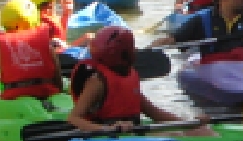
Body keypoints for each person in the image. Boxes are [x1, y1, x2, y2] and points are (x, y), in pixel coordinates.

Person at [66, 26, 214, 135]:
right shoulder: (97, 81)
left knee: (201, 131)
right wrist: (106, 129)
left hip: (131, 133)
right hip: (106, 137)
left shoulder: (130, 74)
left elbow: (154, 113)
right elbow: (74, 118)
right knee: (175, 135)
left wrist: (189, 123)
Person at [0, 0, 63, 100]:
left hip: (15, 100)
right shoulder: (48, 46)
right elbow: (58, 85)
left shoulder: (0, 52)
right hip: (46, 95)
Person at [20, 0, 89, 51]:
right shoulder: (32, 24)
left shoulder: (48, 20)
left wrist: (67, 14)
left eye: (53, 6)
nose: (52, 11)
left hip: (58, 52)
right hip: (51, 56)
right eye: (49, 7)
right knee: (89, 38)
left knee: (89, 37)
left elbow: (60, 37)